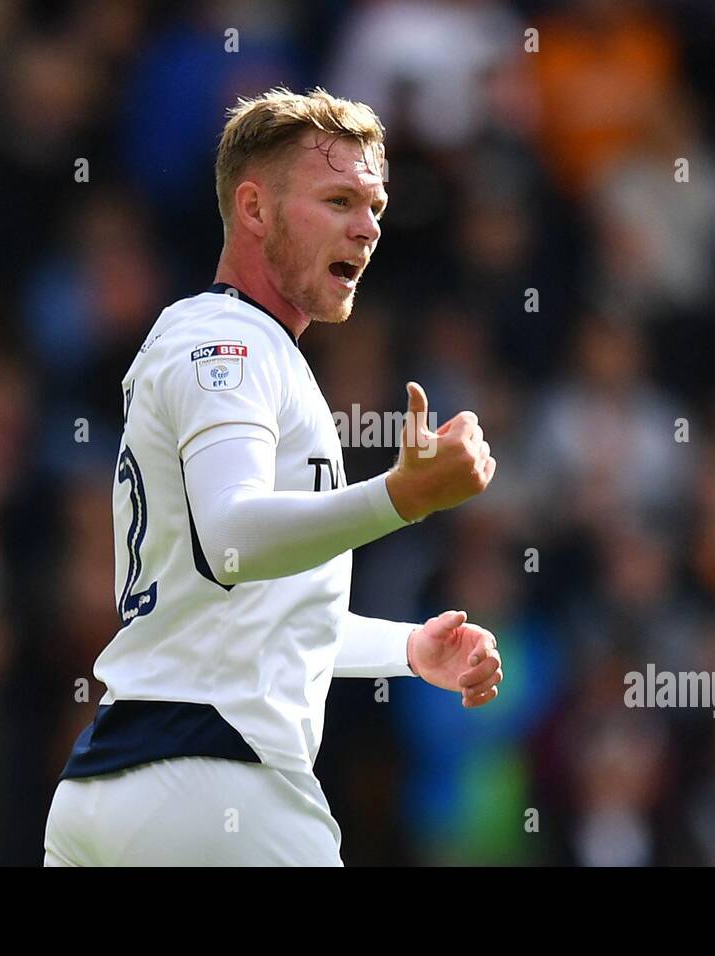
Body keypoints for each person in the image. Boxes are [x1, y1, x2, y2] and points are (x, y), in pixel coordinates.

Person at [42, 87, 501, 866]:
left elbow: (253, 609)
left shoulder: (243, 347)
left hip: (112, 791)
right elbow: (232, 540)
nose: (367, 227)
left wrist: (407, 651)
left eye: (376, 206)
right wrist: (402, 496)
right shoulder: (232, 343)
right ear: (253, 208)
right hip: (220, 786)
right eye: (337, 199)